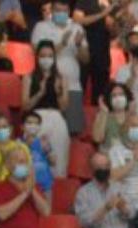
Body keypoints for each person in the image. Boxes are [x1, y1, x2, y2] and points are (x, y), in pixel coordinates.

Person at [30, 0, 87, 135]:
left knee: (72, 131)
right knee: (44, 133)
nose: (61, 13)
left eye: (64, 11)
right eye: (57, 10)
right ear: (52, 10)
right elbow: (38, 52)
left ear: (69, 12)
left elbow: (86, 59)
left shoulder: (77, 28)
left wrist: (78, 45)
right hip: (47, 86)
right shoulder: (41, 26)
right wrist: (62, 43)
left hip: (73, 86)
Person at [23, 41, 70, 178]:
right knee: (34, 159)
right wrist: (40, 93)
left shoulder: (61, 78)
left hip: (56, 117)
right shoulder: (29, 77)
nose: (46, 59)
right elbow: (25, 106)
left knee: (58, 160)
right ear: (37, 58)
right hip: (35, 119)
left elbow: (64, 107)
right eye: (43, 56)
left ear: (54, 58)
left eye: (50, 56)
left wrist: (58, 91)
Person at [73, 0, 119, 104]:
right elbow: (79, 20)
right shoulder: (84, 2)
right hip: (84, 51)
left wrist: (113, 26)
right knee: (80, 87)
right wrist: (103, 13)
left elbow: (114, 32)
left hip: (102, 53)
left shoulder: (112, 5)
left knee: (101, 92)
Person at [21, 112, 54, 197]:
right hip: (26, 185)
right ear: (22, 126)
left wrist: (47, 150)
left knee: (47, 209)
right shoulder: (17, 143)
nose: (33, 126)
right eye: (29, 123)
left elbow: (53, 163)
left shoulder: (44, 142)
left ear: (39, 127)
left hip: (45, 185)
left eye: (36, 123)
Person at [90, 81, 131, 150]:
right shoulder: (101, 115)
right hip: (107, 156)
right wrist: (104, 112)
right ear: (109, 99)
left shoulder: (133, 117)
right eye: (114, 95)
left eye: (121, 94)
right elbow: (97, 139)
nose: (118, 98)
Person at [0, 112, 28, 182]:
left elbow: (26, 174)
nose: (1, 130)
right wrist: (2, 159)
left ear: (11, 128)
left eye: (4, 127)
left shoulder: (21, 146)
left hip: (17, 187)